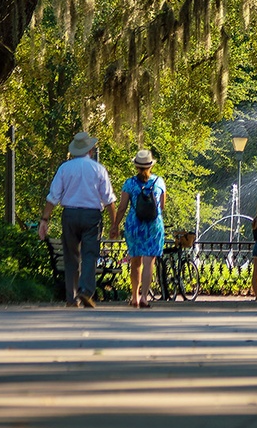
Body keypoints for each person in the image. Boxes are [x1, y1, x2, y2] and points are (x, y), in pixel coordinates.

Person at [39, 131, 115, 308]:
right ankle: (86, 291)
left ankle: (71, 298)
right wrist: (114, 224)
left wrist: (45, 219)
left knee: (71, 255)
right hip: (92, 216)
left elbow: (53, 197)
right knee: (89, 254)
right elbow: (109, 199)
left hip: (70, 214)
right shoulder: (99, 169)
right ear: (90, 150)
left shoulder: (65, 168)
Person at [111, 149, 166, 309]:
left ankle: (134, 296)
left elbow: (121, 208)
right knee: (149, 262)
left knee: (136, 261)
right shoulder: (159, 182)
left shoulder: (129, 183)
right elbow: (162, 206)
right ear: (150, 166)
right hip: (154, 225)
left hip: (135, 225)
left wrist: (115, 225)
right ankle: (144, 298)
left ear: (136, 166)